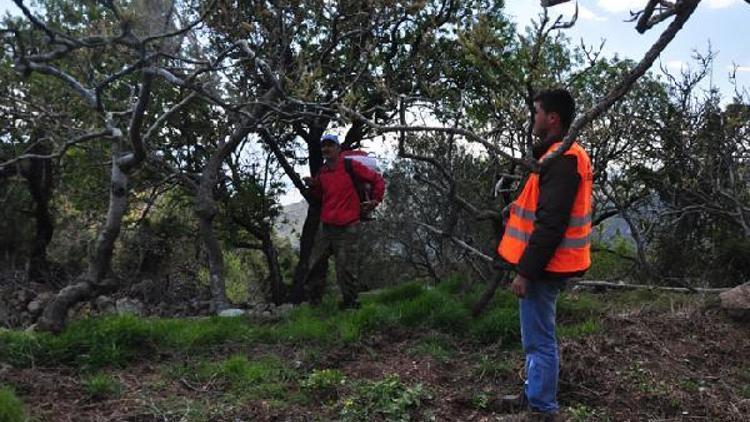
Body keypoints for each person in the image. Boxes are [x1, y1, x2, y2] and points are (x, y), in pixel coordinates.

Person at [497, 89, 593, 418]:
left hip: (546, 266)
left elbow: (551, 224)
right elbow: (544, 205)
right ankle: (535, 394)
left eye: (537, 112)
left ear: (552, 118)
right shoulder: (558, 155)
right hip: (550, 264)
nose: (533, 118)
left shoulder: (563, 158)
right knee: (536, 337)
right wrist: (517, 205)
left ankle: (542, 408)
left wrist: (525, 272)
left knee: (539, 340)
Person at [302, 134, 385, 308]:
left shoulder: (350, 166)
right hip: (327, 226)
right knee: (315, 264)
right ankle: (314, 304)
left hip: (348, 225)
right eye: (324, 146)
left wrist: (375, 201)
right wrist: (314, 186)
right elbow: (321, 196)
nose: (326, 149)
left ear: (338, 148)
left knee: (346, 269)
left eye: (330, 145)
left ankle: (351, 304)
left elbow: (377, 180)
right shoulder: (323, 171)